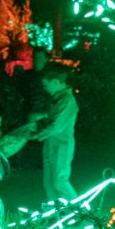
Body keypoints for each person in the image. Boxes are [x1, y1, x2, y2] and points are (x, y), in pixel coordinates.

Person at [32, 65, 79, 202]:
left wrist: (35, 135)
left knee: (59, 181)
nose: (45, 88)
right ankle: (56, 214)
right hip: (51, 143)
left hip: (62, 145)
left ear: (56, 82)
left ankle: (78, 212)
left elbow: (56, 126)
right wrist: (41, 115)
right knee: (49, 183)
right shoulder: (59, 98)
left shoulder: (67, 101)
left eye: (46, 85)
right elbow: (53, 116)